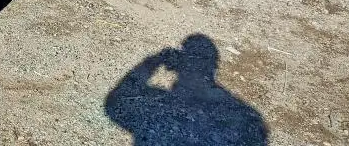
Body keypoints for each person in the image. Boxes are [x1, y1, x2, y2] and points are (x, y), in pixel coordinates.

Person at [105, 34, 268, 145]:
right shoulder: (246, 115)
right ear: (213, 65)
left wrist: (154, 61)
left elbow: (115, 101)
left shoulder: (158, 105)